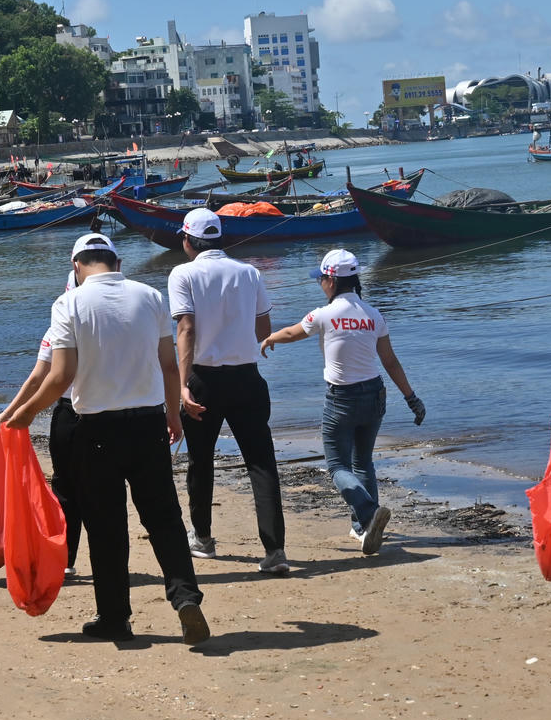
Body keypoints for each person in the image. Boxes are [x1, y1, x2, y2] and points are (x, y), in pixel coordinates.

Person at [3, 233, 209, 644]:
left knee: (106, 525)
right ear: (116, 263)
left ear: (76, 266)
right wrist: (174, 416)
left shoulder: (69, 303)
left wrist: (23, 415)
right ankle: (186, 598)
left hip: (95, 429)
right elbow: (169, 366)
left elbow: (60, 375)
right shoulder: (149, 296)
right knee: (164, 517)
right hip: (149, 423)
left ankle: (115, 618)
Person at [260, 249, 426, 555]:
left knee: (337, 464)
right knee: (363, 462)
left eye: (322, 278)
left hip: (342, 399)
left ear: (331, 281)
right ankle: (363, 529)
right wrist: (411, 397)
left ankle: (367, 512)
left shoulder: (323, 314)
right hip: (375, 395)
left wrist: (269, 339)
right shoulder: (373, 314)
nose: (320, 283)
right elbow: (390, 361)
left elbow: (292, 333)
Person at [168, 208, 289, 575]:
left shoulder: (182, 274)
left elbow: (186, 329)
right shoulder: (249, 272)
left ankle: (203, 538)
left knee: (200, 461)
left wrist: (183, 384)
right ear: (220, 238)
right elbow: (262, 328)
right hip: (247, 378)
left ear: (188, 241)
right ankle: (274, 550)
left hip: (204, 378)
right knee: (261, 462)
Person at [0, 269, 88, 578]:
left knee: (66, 488)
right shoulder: (117, 323)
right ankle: (109, 563)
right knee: (104, 489)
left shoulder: (58, 328)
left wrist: (10, 413)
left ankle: (67, 559)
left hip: (70, 415)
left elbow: (39, 377)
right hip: (113, 414)